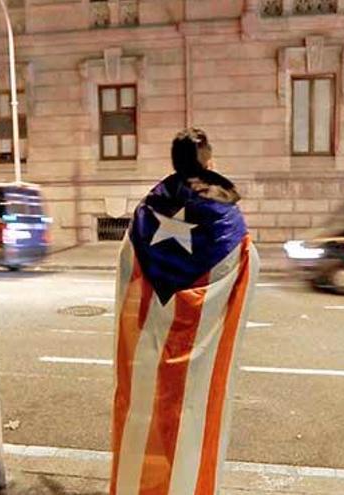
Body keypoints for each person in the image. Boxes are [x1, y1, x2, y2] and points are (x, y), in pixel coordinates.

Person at [110, 128, 259, 495]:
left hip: (147, 345)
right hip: (197, 356)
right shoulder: (224, 220)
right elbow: (245, 266)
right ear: (208, 161)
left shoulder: (148, 210)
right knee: (192, 416)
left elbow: (128, 266)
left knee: (141, 413)